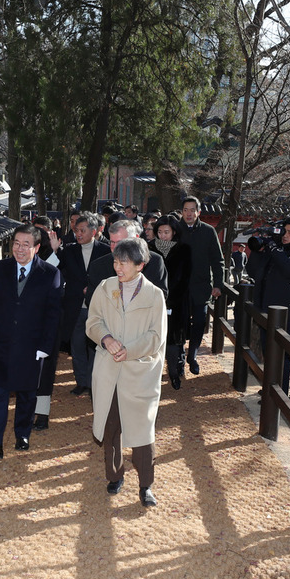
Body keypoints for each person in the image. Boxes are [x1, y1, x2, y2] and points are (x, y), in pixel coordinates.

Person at [86, 238, 166, 507]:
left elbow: (157, 337)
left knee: (143, 432)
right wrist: (106, 339)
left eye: (124, 262)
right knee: (111, 427)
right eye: (116, 261)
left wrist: (129, 350)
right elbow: (93, 321)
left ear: (140, 265)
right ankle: (114, 475)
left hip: (139, 371)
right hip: (109, 368)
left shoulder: (154, 295)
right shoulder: (105, 287)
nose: (117, 267)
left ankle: (146, 485)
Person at [0, 225, 62, 458]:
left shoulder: (50, 273)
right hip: (2, 343)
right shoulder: (1, 268)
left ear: (36, 248)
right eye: (16, 243)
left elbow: (53, 315)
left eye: (25, 245)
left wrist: (45, 346)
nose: (19, 249)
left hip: (32, 346)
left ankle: (22, 434)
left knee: (26, 394)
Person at [36, 212, 109, 425]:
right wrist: (56, 249)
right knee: (77, 346)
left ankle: (95, 384)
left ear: (94, 232)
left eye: (83, 230)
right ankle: (82, 382)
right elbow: (48, 269)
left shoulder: (106, 251)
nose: (78, 234)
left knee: (97, 348)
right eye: (76, 230)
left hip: (99, 308)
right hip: (74, 307)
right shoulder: (69, 251)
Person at [246, 216, 290, 394]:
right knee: (269, 353)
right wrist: (259, 250)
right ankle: (269, 387)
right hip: (266, 309)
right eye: (284, 231)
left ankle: (280, 393)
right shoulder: (275, 249)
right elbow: (253, 271)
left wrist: (275, 249)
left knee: (282, 355)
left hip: (288, 313)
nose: (285, 235)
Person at [178, 196, 224, 375]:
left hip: (201, 286)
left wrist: (218, 284)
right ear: (182, 212)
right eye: (185, 210)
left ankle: (193, 355)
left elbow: (217, 260)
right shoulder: (175, 230)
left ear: (198, 212)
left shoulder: (208, 231)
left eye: (192, 210)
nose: (189, 214)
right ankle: (180, 359)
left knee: (199, 322)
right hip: (180, 288)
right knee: (180, 324)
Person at [148, 215, 192, 389]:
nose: (163, 235)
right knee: (152, 340)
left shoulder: (184, 249)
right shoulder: (149, 248)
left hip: (176, 301)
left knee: (173, 341)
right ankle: (152, 376)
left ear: (174, 232)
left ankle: (174, 374)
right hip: (151, 300)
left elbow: (185, 278)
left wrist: (170, 299)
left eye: (166, 232)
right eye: (159, 232)